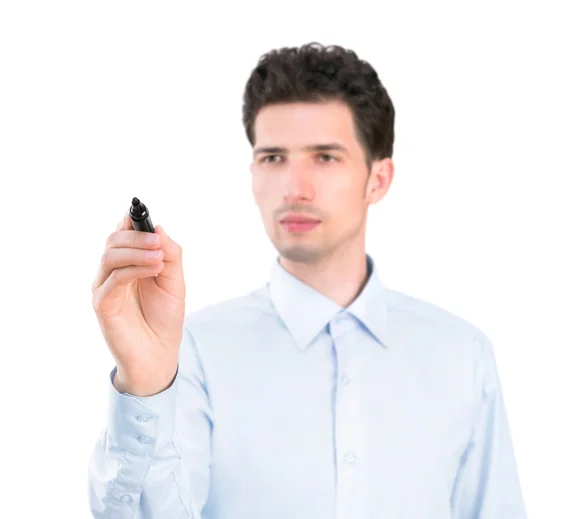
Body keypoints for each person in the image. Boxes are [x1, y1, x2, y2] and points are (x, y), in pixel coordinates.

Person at [88, 42, 527, 519]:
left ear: (377, 180)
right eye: (274, 157)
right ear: (253, 175)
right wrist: (148, 383)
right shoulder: (192, 353)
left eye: (325, 157)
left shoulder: (462, 356)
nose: (294, 188)